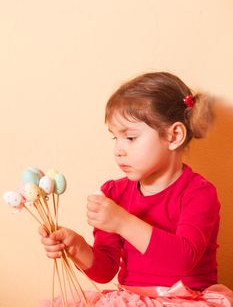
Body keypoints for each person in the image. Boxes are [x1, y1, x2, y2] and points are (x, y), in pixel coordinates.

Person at [39, 72, 228, 307]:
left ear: (174, 135)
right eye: (114, 138)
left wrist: (122, 222)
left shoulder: (198, 193)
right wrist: (78, 247)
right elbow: (105, 271)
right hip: (131, 300)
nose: (118, 149)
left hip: (185, 299)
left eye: (130, 137)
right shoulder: (114, 194)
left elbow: (183, 260)